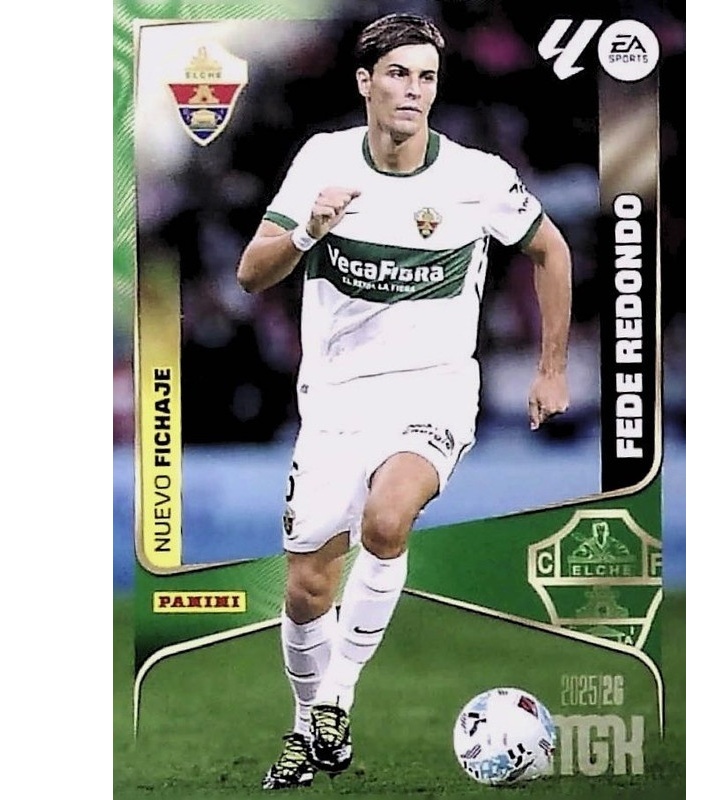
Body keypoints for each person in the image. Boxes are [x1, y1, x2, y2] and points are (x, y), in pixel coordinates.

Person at [236, 13, 572, 791]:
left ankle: (338, 699)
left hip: (435, 389)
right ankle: (308, 726)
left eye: (426, 76)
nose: (413, 90)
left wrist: (550, 369)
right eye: (397, 74)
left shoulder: (477, 178)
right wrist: (309, 230)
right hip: (335, 399)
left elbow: (550, 249)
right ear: (366, 82)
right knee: (307, 587)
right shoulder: (322, 161)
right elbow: (253, 273)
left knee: (387, 521)